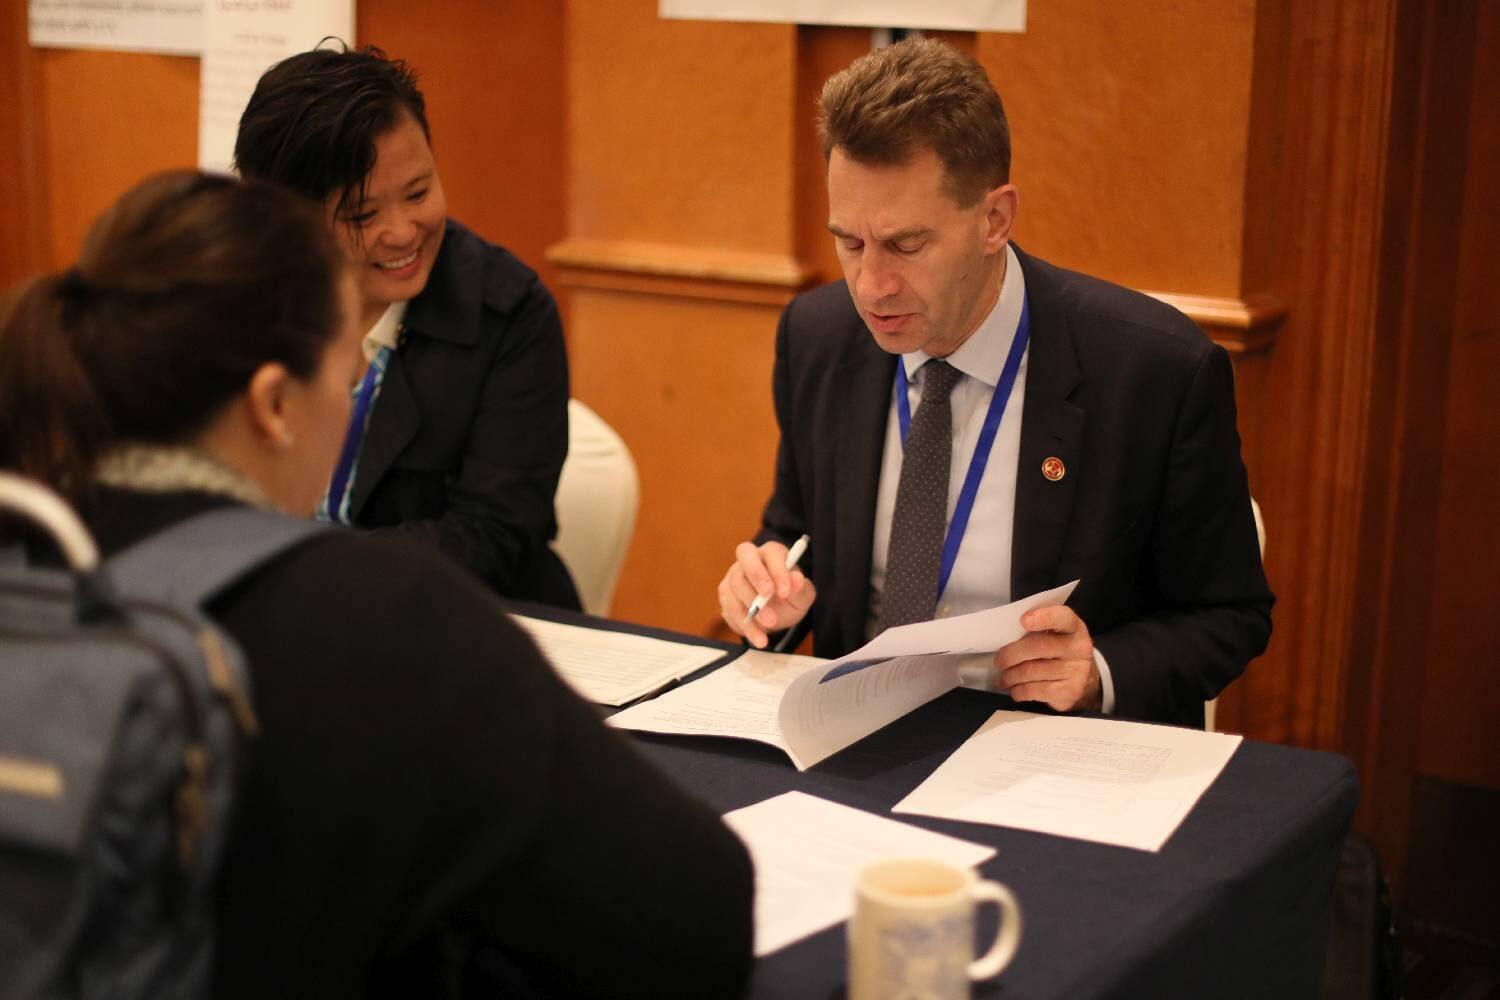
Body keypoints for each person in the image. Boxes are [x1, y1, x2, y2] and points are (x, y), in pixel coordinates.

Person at [0, 171, 753, 998]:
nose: (358, 377)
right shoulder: (383, 618)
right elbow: (696, 913)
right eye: (343, 361)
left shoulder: (27, 562)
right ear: (274, 405)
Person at [717, 39, 1273, 728]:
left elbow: (1229, 613)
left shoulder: (1154, 371)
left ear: (995, 219)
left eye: (906, 244)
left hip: (1050, 755)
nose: (871, 285)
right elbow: (796, 533)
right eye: (850, 243)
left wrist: (1099, 669)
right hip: (854, 738)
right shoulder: (818, 336)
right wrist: (770, 589)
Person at [233, 44, 578, 607]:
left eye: (418, 193)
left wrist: (312, 573)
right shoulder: (229, 301)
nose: (401, 232)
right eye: (362, 215)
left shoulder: (506, 310)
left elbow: (495, 533)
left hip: (459, 626)